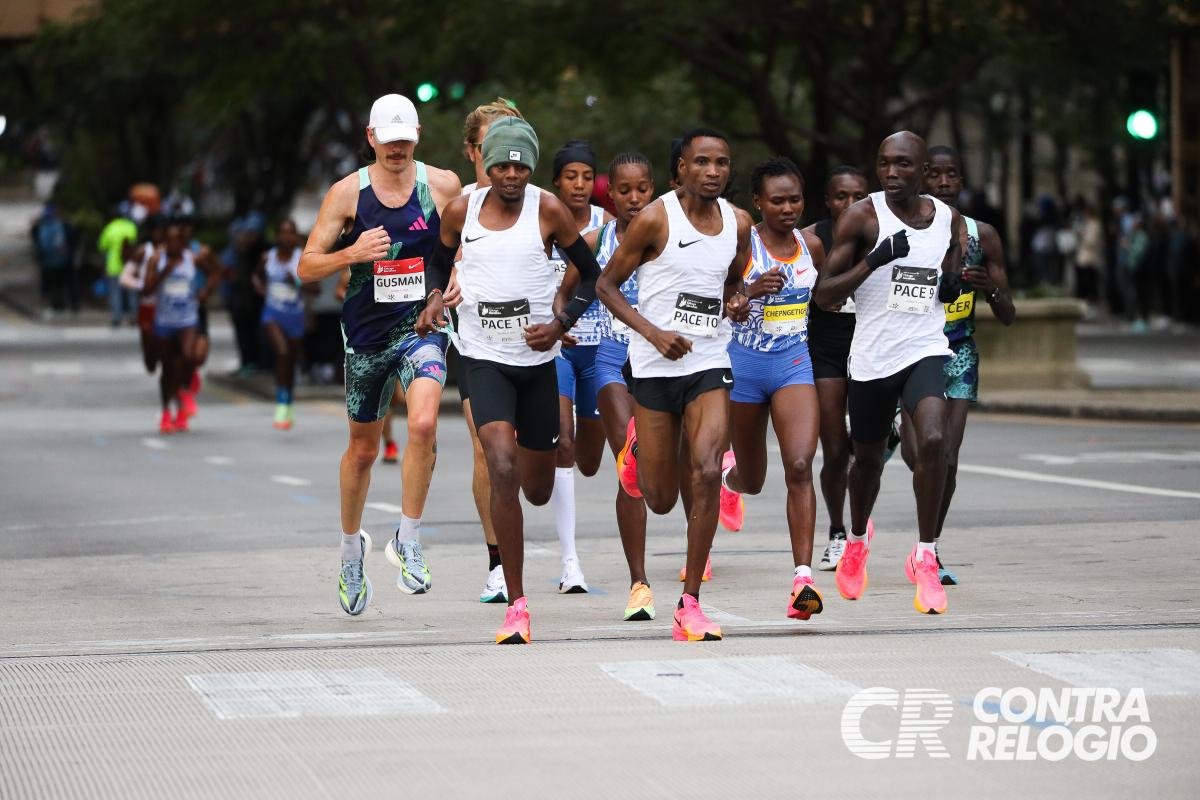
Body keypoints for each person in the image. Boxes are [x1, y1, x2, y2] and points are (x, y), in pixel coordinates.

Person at [416, 116, 604, 644]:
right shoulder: (461, 210)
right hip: (482, 358)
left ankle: (529, 481)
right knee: (500, 465)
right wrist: (434, 297)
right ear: (486, 165)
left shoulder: (549, 209)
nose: (511, 174)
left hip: (537, 365)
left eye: (520, 165)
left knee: (538, 488)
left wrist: (560, 324)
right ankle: (517, 604)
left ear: (531, 166)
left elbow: (591, 275)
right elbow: (436, 259)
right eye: (501, 164)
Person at [298, 93, 461, 614]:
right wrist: (351, 253)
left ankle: (408, 538)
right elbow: (306, 266)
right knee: (363, 451)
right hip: (366, 336)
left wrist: (453, 281)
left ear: (418, 136)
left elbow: (464, 246)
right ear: (371, 139)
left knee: (422, 423)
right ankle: (351, 549)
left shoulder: (442, 186)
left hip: (421, 326)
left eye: (404, 140)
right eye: (387, 141)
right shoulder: (348, 194)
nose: (397, 149)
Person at [597, 128, 753, 642]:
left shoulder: (739, 223)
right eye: (702, 162)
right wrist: (653, 333)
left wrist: (736, 299)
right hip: (655, 366)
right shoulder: (655, 218)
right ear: (681, 170)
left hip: (709, 360)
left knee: (707, 471)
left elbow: (733, 278)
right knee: (660, 497)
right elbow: (606, 286)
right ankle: (638, 450)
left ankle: (690, 602)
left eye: (722, 163)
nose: (713, 172)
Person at [814, 131, 965, 616]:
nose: (892, 173)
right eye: (884, 164)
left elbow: (945, 290)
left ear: (922, 171)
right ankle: (856, 538)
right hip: (873, 356)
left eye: (903, 165)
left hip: (925, 348)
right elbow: (825, 294)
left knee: (935, 440)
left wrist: (954, 282)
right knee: (869, 463)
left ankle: (925, 554)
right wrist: (876, 258)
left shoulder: (947, 220)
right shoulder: (863, 216)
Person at [898, 145, 1015, 585]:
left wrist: (992, 290)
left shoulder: (983, 235)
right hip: (908, 350)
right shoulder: (904, 228)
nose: (943, 183)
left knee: (945, 454)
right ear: (921, 179)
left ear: (963, 182)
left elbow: (1008, 314)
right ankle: (895, 424)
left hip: (959, 351)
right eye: (935, 175)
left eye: (952, 175)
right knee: (917, 454)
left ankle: (929, 549)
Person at [723, 157, 824, 621]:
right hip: (743, 364)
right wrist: (748, 292)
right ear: (758, 202)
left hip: (793, 363)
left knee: (800, 464)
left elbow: (826, 299)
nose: (788, 208)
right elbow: (723, 305)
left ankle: (803, 580)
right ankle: (731, 481)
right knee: (754, 479)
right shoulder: (743, 247)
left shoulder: (812, 247)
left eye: (795, 199)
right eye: (777, 200)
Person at [576, 152, 659, 619]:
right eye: (623, 190)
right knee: (632, 464)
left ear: (654, 189)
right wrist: (561, 320)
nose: (632, 198)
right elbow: (567, 287)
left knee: (661, 474)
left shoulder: (669, 236)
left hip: (657, 363)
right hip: (610, 358)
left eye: (641, 189)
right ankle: (639, 584)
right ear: (612, 194)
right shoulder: (596, 238)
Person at [451, 97, 525, 604]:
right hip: (476, 338)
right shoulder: (458, 203)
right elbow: (434, 257)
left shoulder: (537, 201)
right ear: (472, 151)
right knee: (486, 447)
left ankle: (565, 546)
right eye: (490, 145)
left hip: (534, 335)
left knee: (544, 455)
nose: (504, 154)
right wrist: (446, 280)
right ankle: (498, 562)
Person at [548, 139, 613, 594]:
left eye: (587, 176)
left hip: (601, 351)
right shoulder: (540, 219)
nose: (579, 184)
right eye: (571, 176)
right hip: (555, 351)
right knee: (563, 444)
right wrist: (555, 322)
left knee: (591, 460)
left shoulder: (611, 228)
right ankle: (570, 562)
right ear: (556, 182)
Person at [802, 167, 869, 572]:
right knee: (833, 447)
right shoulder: (811, 238)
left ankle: (860, 516)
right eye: (840, 196)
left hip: (870, 347)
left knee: (865, 449)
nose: (848, 203)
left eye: (857, 195)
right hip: (824, 350)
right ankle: (837, 532)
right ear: (828, 200)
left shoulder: (880, 232)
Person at [142, 221, 217, 433]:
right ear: (164, 242)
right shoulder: (156, 260)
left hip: (187, 319)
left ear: (184, 243)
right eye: (169, 240)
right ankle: (167, 411)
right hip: (164, 321)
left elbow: (214, 273)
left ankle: (184, 393)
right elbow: (146, 290)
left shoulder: (192, 259)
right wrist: (163, 272)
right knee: (167, 369)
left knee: (188, 356)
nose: (173, 245)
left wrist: (206, 291)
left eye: (178, 240)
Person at [255, 219, 308, 429]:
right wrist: (261, 289)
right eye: (282, 233)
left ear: (295, 236)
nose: (286, 238)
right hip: (272, 314)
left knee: (291, 359)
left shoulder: (301, 258)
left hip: (295, 316)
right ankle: (280, 402)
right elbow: (256, 277)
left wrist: (295, 281)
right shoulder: (267, 257)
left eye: (290, 233)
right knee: (282, 353)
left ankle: (288, 401)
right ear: (276, 235)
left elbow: (315, 289)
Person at [97, 204, 140, 327]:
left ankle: (117, 318)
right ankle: (134, 317)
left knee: (115, 293)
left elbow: (102, 246)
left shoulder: (110, 228)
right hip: (130, 265)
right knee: (132, 292)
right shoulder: (131, 227)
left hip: (114, 266)